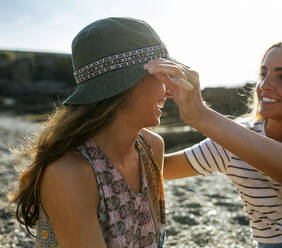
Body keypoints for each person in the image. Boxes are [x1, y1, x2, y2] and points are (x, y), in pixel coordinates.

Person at [144, 40, 282, 248]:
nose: (264, 85)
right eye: (264, 74)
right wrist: (130, 121)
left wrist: (202, 116)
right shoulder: (234, 140)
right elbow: (159, 169)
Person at [9, 17, 170, 248]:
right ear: (126, 84)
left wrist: (201, 117)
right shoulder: (69, 173)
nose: (169, 90)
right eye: (161, 75)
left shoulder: (153, 147)